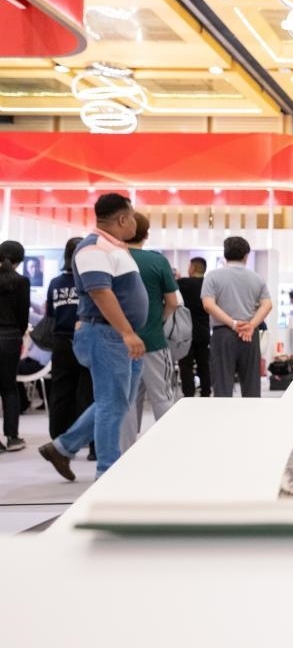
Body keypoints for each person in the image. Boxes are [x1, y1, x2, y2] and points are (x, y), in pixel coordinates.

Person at [39, 193, 148, 481]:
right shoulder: (93, 248)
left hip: (117, 335)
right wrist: (127, 332)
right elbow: (100, 292)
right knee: (112, 403)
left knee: (116, 401)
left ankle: (62, 448)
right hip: (107, 334)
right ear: (122, 219)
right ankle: (107, 472)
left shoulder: (113, 248)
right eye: (132, 217)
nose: (135, 223)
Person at [121, 212, 179, 451]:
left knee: (126, 399)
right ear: (146, 234)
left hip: (120, 340)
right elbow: (173, 302)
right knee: (162, 395)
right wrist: (158, 319)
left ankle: (126, 452)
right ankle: (169, 448)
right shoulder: (157, 261)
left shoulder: (115, 258)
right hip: (153, 340)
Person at [201, 236, 272, 398]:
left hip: (222, 334)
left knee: (222, 386)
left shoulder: (213, 276)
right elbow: (267, 305)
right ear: (246, 256)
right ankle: (251, 415)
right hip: (249, 335)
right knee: (251, 387)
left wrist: (233, 324)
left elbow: (208, 305)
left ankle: (224, 414)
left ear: (225, 254)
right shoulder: (257, 278)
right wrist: (251, 325)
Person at [44, 237, 95, 456]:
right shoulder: (90, 281)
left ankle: (57, 442)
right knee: (89, 393)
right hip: (86, 339)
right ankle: (93, 446)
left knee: (60, 392)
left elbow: (50, 313)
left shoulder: (55, 283)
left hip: (60, 342)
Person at [0, 240, 30, 453]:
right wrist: (18, 334)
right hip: (10, 338)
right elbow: (23, 316)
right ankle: (12, 438)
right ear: (20, 260)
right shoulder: (21, 282)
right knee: (9, 388)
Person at [177, 257, 211, 398]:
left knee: (186, 365)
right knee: (204, 365)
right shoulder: (208, 284)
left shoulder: (182, 283)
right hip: (203, 332)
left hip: (185, 332)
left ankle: (189, 394)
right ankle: (205, 393)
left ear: (192, 268)